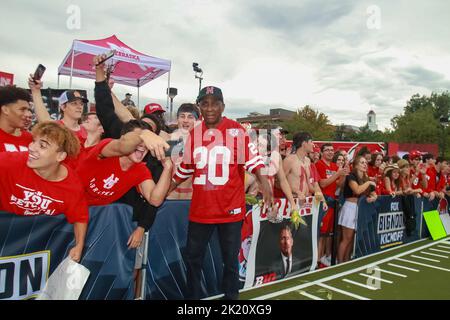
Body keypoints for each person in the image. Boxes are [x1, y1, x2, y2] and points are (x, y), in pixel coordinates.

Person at [169, 85, 273, 300]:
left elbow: (254, 163)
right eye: (204, 103)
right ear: (200, 106)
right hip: (201, 209)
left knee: (230, 261)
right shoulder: (194, 134)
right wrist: (164, 191)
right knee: (193, 259)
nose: (209, 108)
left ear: (222, 106)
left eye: (214, 103)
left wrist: (266, 185)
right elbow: (186, 168)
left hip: (230, 209)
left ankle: (231, 299)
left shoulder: (237, 130)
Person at [0, 121, 88, 262]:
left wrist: (79, 245)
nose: (31, 148)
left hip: (32, 250)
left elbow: (79, 217)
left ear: (60, 156)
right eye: (33, 141)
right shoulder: (9, 163)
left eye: (42, 145)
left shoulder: (72, 187)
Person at [337, 155, 377, 263]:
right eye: (362, 162)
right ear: (356, 165)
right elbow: (357, 190)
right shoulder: (351, 176)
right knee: (346, 238)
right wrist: (368, 182)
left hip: (359, 209)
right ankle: (339, 263)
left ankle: (346, 261)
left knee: (352, 238)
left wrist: (373, 197)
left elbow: (373, 193)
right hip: (349, 208)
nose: (365, 164)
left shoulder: (365, 177)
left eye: (365, 163)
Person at [315, 143, 348, 267]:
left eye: (332, 150)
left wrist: (343, 174)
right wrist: (337, 174)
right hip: (322, 202)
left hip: (332, 202)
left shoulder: (334, 166)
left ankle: (321, 258)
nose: (330, 152)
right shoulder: (318, 164)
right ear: (322, 152)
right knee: (320, 234)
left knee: (326, 234)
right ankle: (317, 261)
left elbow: (338, 185)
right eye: (327, 150)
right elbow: (322, 184)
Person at [283, 132, 327, 208]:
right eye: (311, 142)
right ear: (304, 143)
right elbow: (279, 182)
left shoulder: (307, 161)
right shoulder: (289, 160)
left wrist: (322, 200)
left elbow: (311, 185)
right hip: (293, 202)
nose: (313, 144)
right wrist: (296, 191)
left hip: (306, 202)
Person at [167, 103, 200, 200]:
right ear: (177, 119)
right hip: (172, 193)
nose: (185, 120)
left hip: (193, 195)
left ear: (196, 121)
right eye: (182, 116)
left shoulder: (202, 142)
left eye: (190, 117)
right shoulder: (169, 138)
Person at [0, 85, 33, 152]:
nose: (28, 114)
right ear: (5, 110)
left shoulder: (30, 139)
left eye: (28, 110)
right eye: (22, 109)